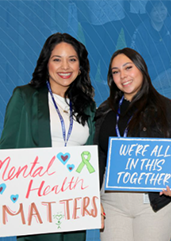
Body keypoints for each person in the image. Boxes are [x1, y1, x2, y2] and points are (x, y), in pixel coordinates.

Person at [0, 33, 95, 241]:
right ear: (46, 63)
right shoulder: (24, 97)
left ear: (80, 66)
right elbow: (7, 152)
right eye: (57, 59)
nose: (65, 67)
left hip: (75, 204)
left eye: (72, 59)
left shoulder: (87, 106)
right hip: (37, 203)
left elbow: (92, 157)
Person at [94, 47, 171, 241]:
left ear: (141, 68)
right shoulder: (103, 112)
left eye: (128, 68)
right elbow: (98, 156)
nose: (123, 76)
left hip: (154, 202)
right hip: (112, 202)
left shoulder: (169, 109)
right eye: (116, 72)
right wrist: (93, 197)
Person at [130, 0, 171, 81]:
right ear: (149, 13)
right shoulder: (141, 31)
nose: (159, 13)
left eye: (162, 9)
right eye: (155, 10)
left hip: (167, 72)